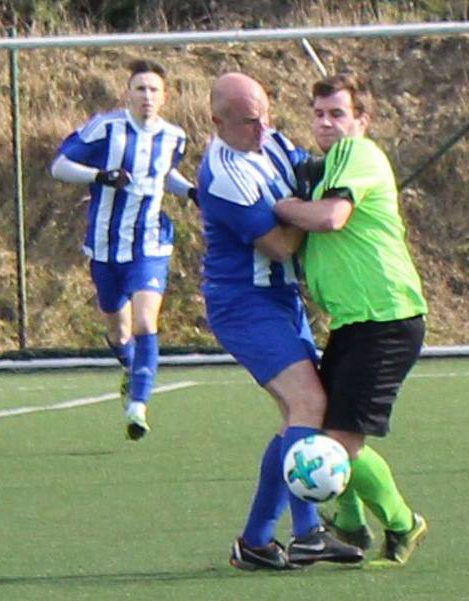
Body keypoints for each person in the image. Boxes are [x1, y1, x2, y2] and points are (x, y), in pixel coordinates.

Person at [197, 72, 363, 570]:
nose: (263, 127)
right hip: (244, 304)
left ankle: (255, 541)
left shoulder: (269, 139)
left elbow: (305, 169)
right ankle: (308, 533)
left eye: (267, 113)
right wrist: (309, 212)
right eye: (250, 121)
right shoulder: (223, 174)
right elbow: (280, 244)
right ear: (217, 122)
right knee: (309, 402)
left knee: (299, 415)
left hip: (279, 298)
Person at [274, 72, 429, 565]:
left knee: (336, 445)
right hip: (355, 322)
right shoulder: (327, 164)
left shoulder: (357, 154)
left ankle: (403, 522)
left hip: (386, 317)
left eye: (338, 113)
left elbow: (331, 218)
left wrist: (280, 206)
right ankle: (351, 525)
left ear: (363, 120)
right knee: (321, 431)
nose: (326, 123)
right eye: (319, 114)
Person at [50, 59, 196, 441]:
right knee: (118, 331)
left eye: (154, 90)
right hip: (105, 246)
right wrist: (100, 176)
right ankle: (130, 367)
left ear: (165, 97)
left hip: (150, 243)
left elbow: (167, 174)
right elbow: (59, 166)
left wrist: (193, 192)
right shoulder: (107, 128)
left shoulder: (174, 137)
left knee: (147, 322)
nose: (147, 96)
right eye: (140, 89)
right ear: (128, 93)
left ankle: (138, 406)